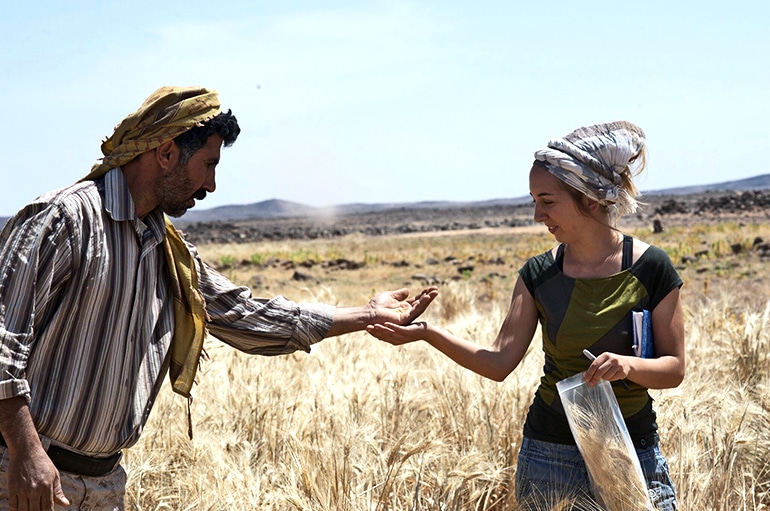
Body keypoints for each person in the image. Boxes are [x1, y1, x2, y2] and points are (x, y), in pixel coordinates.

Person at [0, 86, 438, 511]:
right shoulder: (64, 220)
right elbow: (3, 348)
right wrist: (25, 452)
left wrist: (365, 315)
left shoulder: (165, 248)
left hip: (105, 484)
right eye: (208, 164)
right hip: (27, 478)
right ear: (167, 152)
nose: (211, 185)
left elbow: (245, 314)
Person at [367, 121, 684, 510]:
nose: (537, 214)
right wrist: (426, 332)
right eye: (534, 200)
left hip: (632, 451)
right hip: (550, 457)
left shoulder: (652, 268)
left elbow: (674, 369)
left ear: (590, 199)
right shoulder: (538, 275)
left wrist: (628, 366)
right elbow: (499, 362)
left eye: (548, 201)